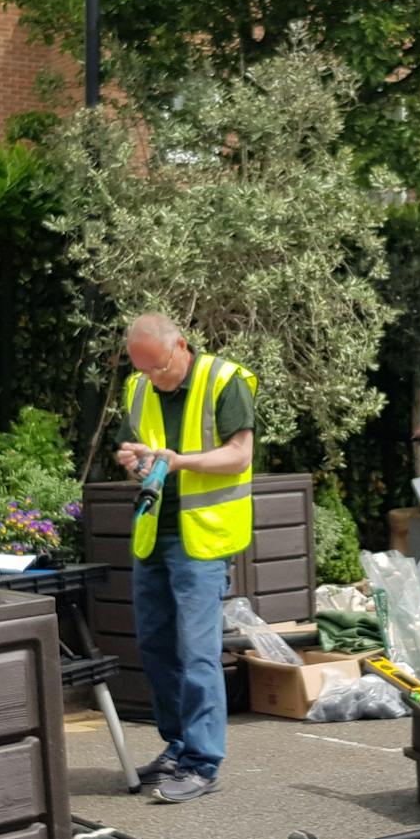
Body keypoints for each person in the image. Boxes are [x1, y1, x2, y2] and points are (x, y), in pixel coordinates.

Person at [117, 313, 256, 805]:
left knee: (197, 651)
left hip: (202, 538)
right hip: (154, 532)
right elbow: (146, 460)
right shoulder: (137, 389)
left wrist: (178, 460)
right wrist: (137, 463)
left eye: (158, 368)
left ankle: (202, 762)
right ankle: (177, 748)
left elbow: (239, 456)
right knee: (157, 648)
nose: (152, 378)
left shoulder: (225, 380)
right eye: (143, 369)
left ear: (180, 346)